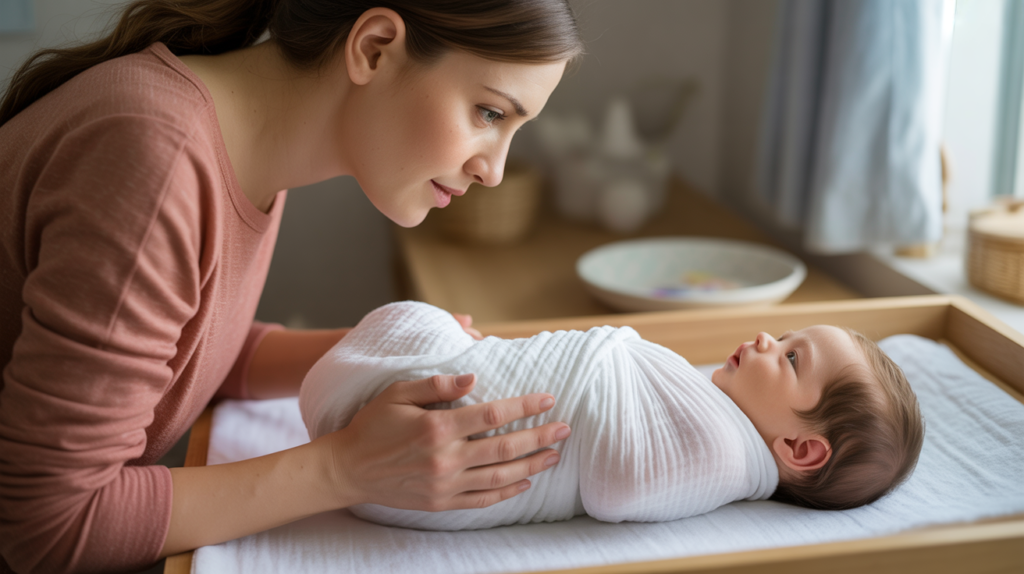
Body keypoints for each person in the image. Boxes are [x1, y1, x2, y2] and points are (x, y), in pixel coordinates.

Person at [0, 1, 584, 573]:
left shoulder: (237, 141)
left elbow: (184, 353)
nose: (495, 170)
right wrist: (346, 469)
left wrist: (375, 355)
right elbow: (49, 524)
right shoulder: (158, 159)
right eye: (489, 113)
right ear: (374, 47)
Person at [300, 301, 925, 530]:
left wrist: (604, 379)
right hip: (392, 448)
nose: (765, 338)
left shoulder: (725, 455)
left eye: (791, 357)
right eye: (784, 334)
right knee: (433, 330)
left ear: (801, 449)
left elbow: (623, 478)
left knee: (421, 324)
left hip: (408, 465)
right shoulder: (718, 422)